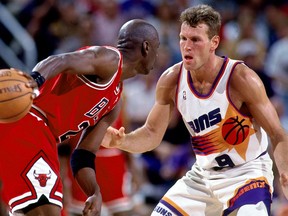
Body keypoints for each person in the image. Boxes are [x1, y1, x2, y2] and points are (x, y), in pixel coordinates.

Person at [102, 4, 288, 216]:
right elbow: (152, 134)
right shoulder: (171, 79)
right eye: (183, 38)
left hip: (247, 173)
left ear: (214, 43)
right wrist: (120, 142)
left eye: (195, 40)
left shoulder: (241, 78)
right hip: (203, 175)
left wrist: (285, 171)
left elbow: (277, 133)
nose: (186, 46)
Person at [0, 19, 159, 216]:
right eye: (157, 48)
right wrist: (34, 81)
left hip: (44, 138)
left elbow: (83, 155)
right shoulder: (109, 58)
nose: (158, 56)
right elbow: (60, 60)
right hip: (28, 121)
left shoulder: (116, 99)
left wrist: (94, 191)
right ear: (146, 47)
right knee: (45, 211)